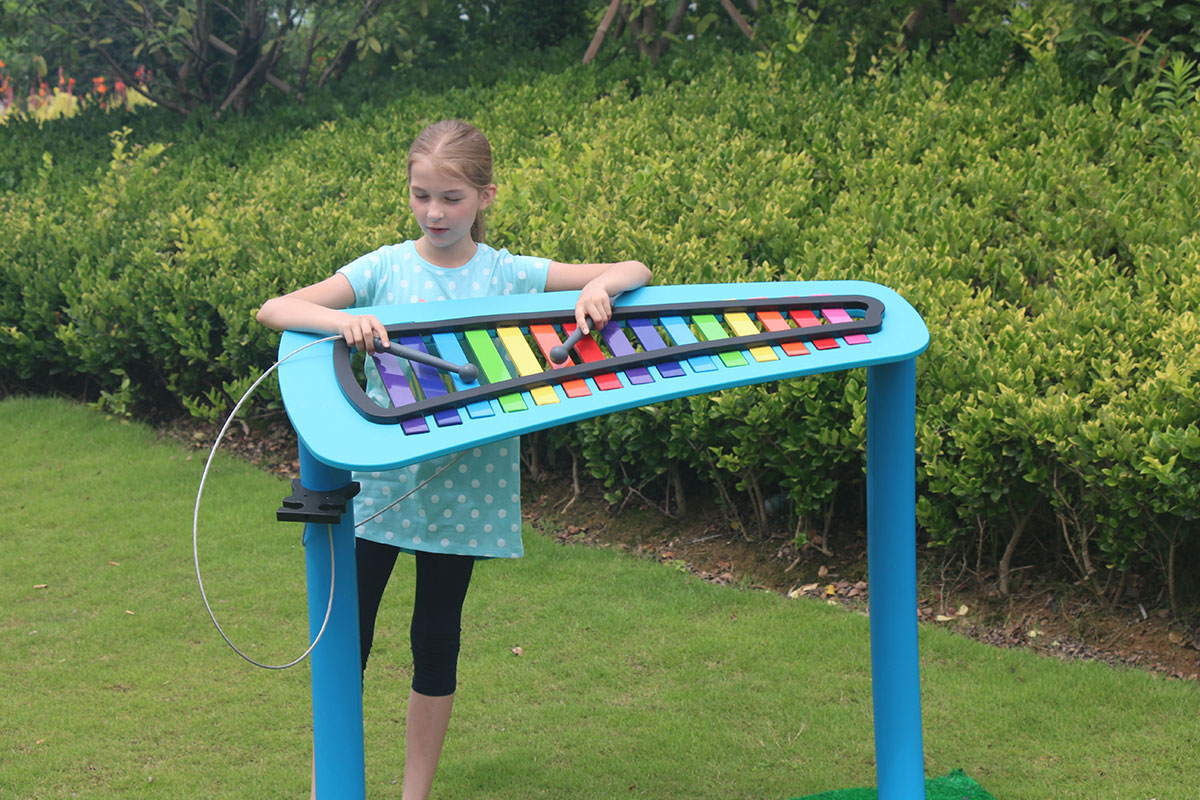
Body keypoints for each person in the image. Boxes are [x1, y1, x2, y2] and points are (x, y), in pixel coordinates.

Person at [256, 119, 652, 800]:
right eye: (421, 196)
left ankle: (415, 796)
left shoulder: (510, 274)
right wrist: (343, 322)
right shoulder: (383, 268)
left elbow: (637, 268)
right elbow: (276, 309)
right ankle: (332, 790)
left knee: (436, 642)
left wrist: (601, 290)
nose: (435, 213)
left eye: (452, 198)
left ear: (486, 196)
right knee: (345, 643)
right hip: (378, 489)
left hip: (465, 488)